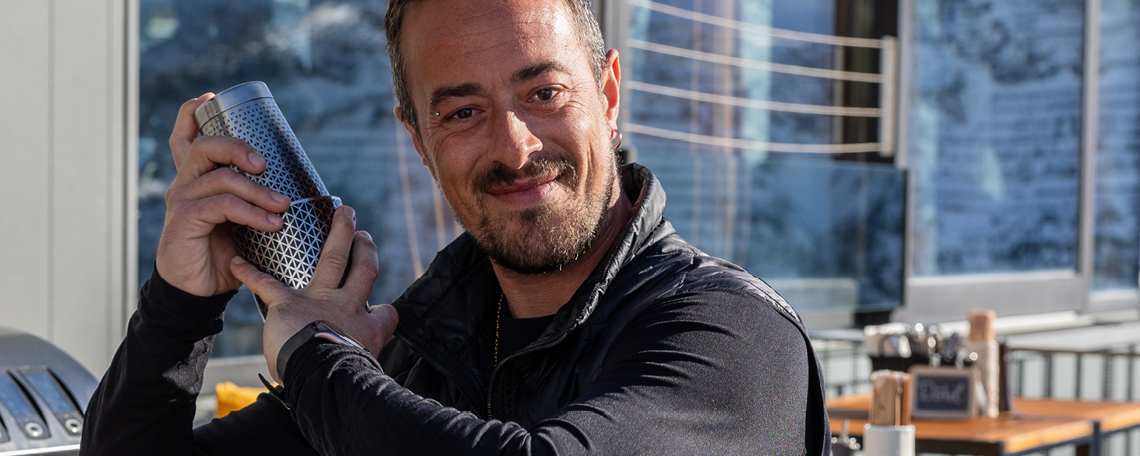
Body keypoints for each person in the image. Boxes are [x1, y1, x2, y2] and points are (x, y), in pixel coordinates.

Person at [81, 0, 831, 454]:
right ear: (419, 141)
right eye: (464, 112)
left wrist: (314, 357)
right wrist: (180, 306)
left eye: (544, 92)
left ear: (607, 96)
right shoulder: (414, 351)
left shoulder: (735, 337)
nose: (515, 147)